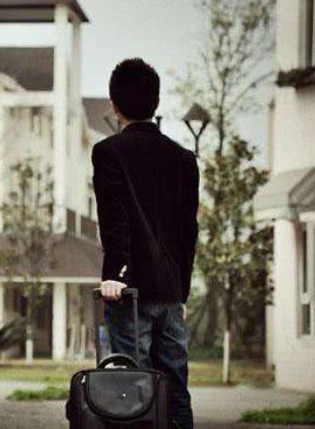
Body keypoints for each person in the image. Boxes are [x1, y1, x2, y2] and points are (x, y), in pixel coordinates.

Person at [91, 58, 199, 429]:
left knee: (133, 389)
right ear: (157, 102)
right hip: (169, 292)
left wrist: (116, 273)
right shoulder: (184, 159)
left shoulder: (108, 152)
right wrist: (182, 292)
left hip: (129, 293)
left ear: (113, 105)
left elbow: (115, 217)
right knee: (175, 385)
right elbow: (188, 231)